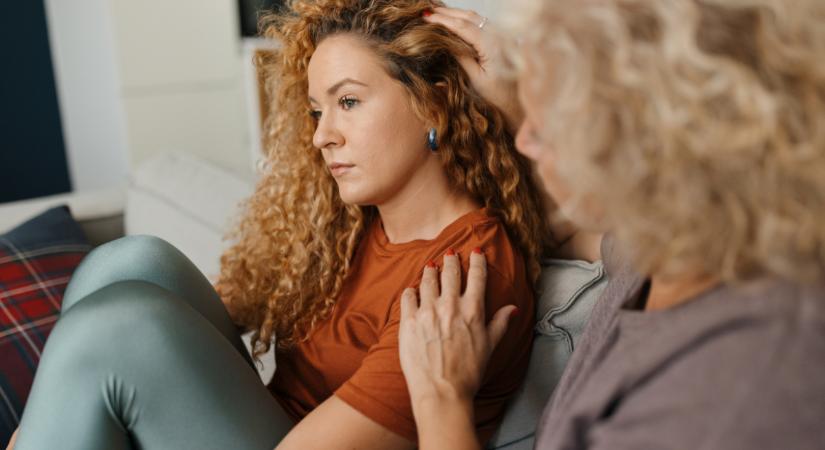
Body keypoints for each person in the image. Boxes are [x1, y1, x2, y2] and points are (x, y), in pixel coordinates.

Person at [7, 1, 553, 449]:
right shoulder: (351, 226)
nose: (323, 136)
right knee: (132, 262)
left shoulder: (462, 272)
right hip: (268, 422)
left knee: (122, 327)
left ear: (434, 106)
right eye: (318, 111)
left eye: (348, 101)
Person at [401, 1, 825, 449]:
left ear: (663, 132)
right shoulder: (683, 241)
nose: (524, 141)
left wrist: (441, 399)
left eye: (558, 114)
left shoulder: (731, 400)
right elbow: (588, 232)